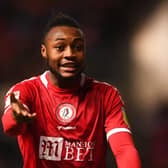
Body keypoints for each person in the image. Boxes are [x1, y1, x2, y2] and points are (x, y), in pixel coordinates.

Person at [1, 13, 141, 168]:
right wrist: (16, 119)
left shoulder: (107, 95)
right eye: (60, 48)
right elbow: (10, 128)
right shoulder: (26, 90)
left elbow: (123, 149)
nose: (70, 54)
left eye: (78, 47)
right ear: (44, 51)